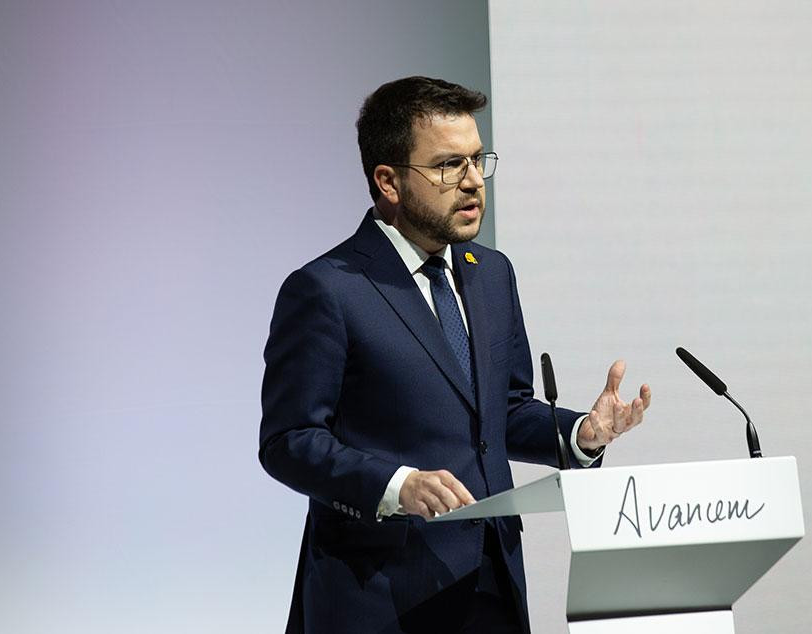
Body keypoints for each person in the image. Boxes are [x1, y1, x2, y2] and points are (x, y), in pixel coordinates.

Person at [259, 76, 650, 634]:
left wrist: (580, 434)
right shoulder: (327, 289)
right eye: (448, 166)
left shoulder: (491, 273)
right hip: (379, 596)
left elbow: (503, 413)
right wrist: (397, 485)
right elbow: (288, 442)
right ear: (388, 181)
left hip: (491, 586)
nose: (472, 183)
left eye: (477, 160)